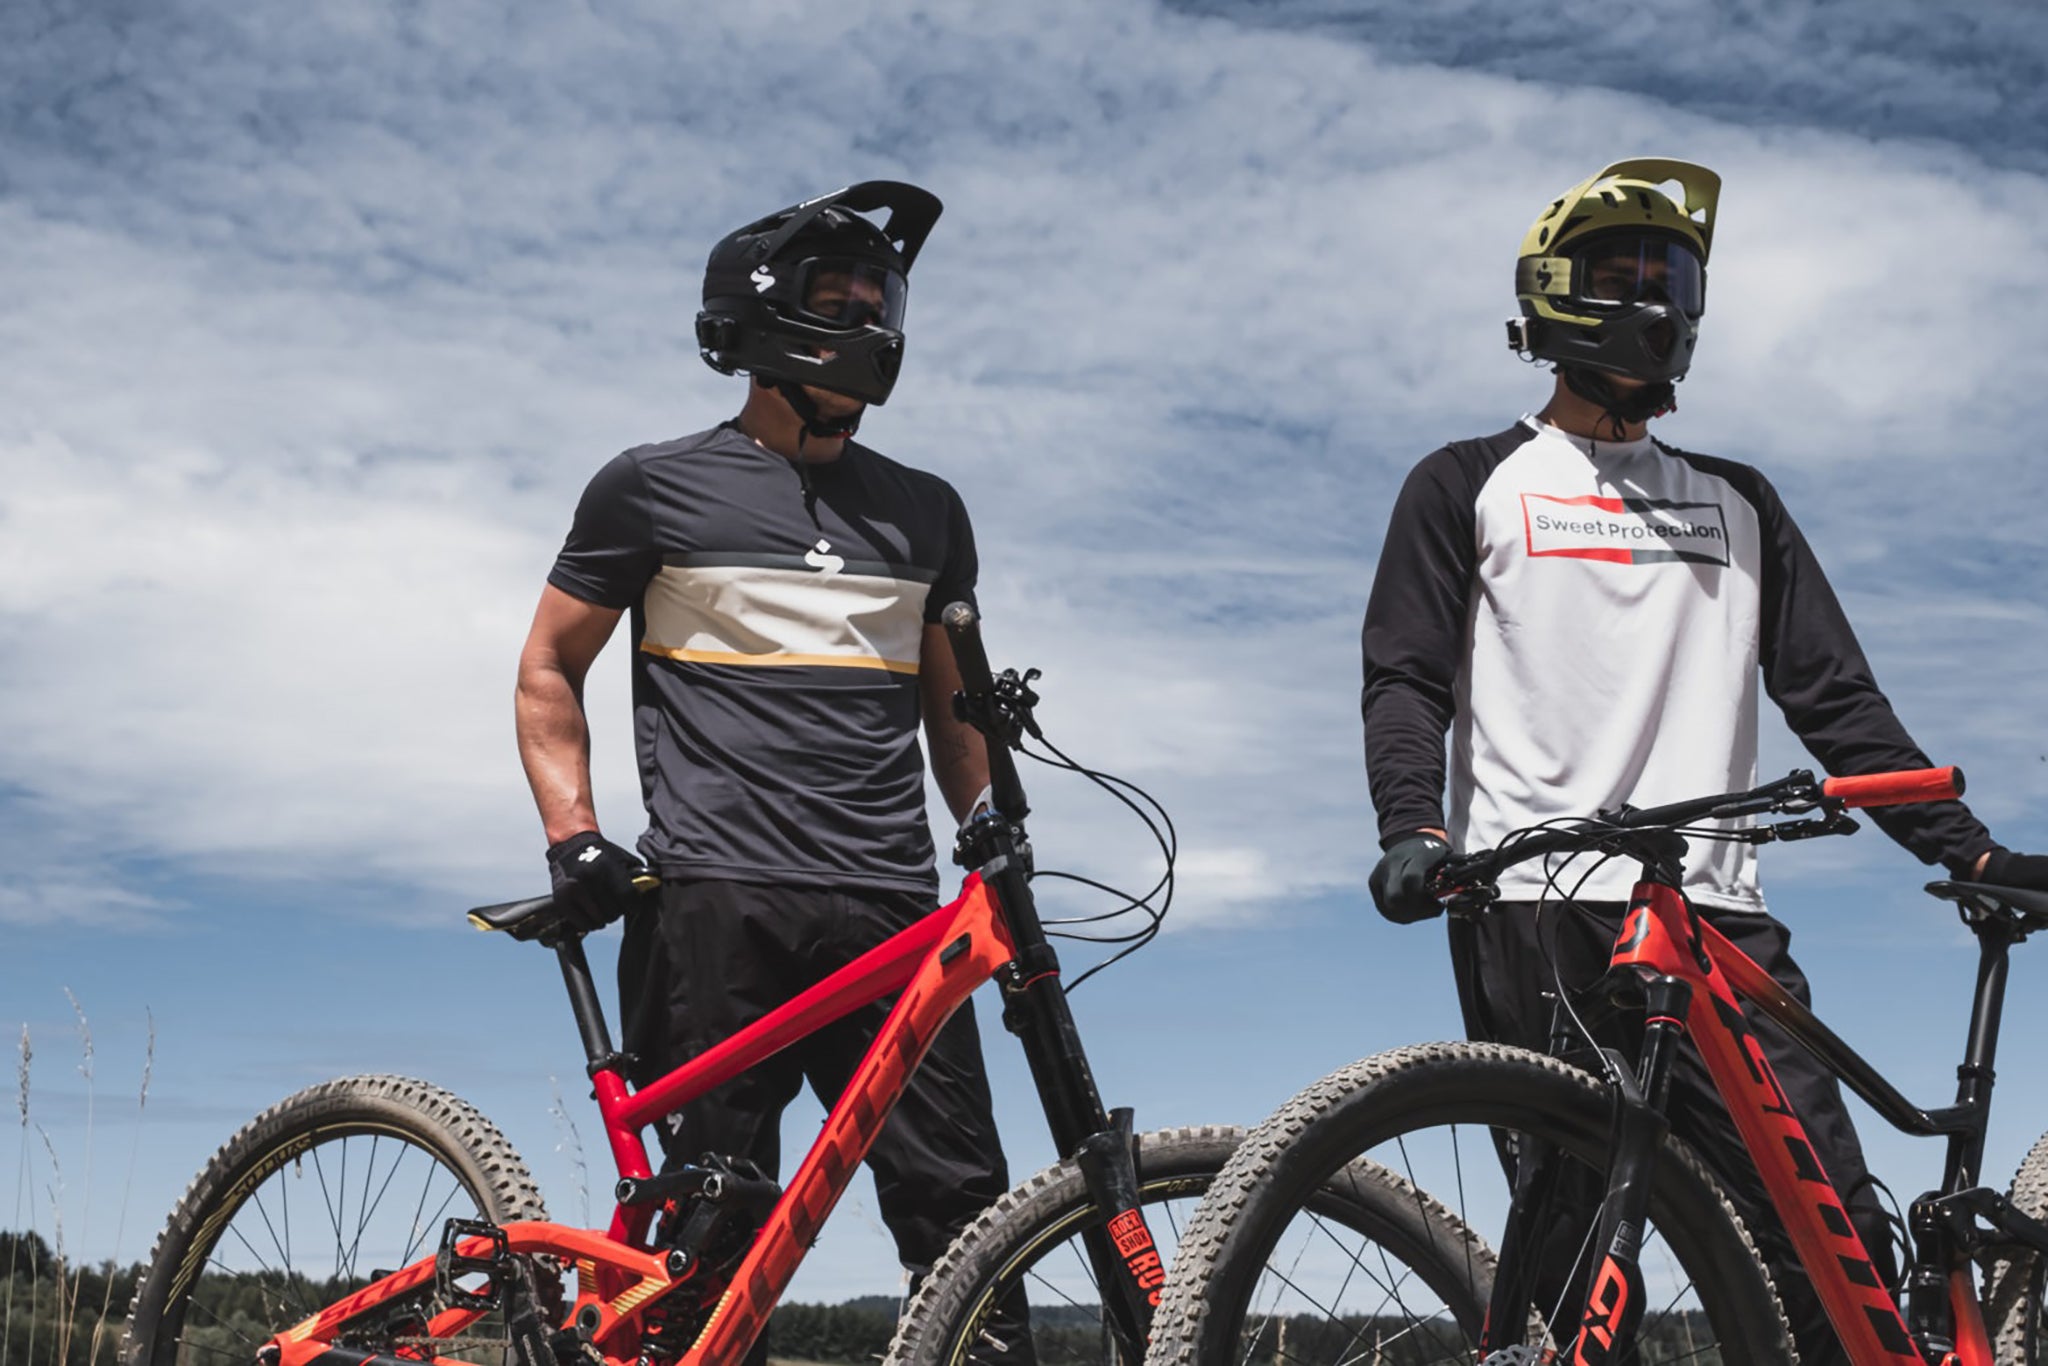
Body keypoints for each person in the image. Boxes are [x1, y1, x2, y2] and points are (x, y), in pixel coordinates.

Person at [1361, 158, 2048, 1361]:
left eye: (1669, 275)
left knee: (1821, 1241)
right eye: (1617, 273)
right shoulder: (1465, 482)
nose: (1649, 298)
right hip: (1536, 902)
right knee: (1576, 1259)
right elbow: (1405, 677)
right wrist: (1410, 828)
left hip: (1716, 915)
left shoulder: (1737, 503)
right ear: (1548, 294)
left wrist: (1970, 848)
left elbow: (1837, 704)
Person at [514, 182, 1014, 1341]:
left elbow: (955, 707)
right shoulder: (649, 486)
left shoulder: (927, 512)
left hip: (894, 910)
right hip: (713, 902)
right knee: (708, 1235)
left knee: (966, 1215)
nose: (870, 315)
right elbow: (548, 665)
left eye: (880, 294)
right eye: (838, 294)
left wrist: (986, 820)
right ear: (761, 317)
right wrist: (572, 831)